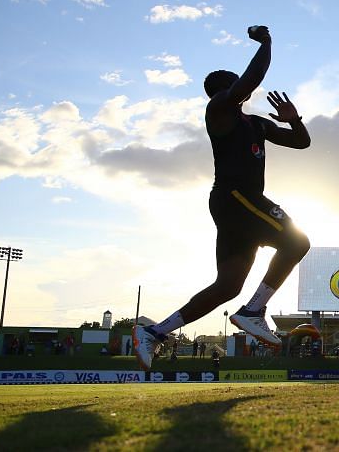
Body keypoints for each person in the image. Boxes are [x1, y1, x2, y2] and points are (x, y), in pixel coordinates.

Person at [132, 25, 311, 371]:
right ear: (224, 91)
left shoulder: (255, 124)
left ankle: (154, 332)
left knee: (228, 285)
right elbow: (252, 77)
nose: (242, 88)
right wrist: (267, 42)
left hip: (237, 206)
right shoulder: (219, 111)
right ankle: (254, 311)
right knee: (298, 242)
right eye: (235, 84)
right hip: (236, 198)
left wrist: (295, 120)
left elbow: (301, 142)